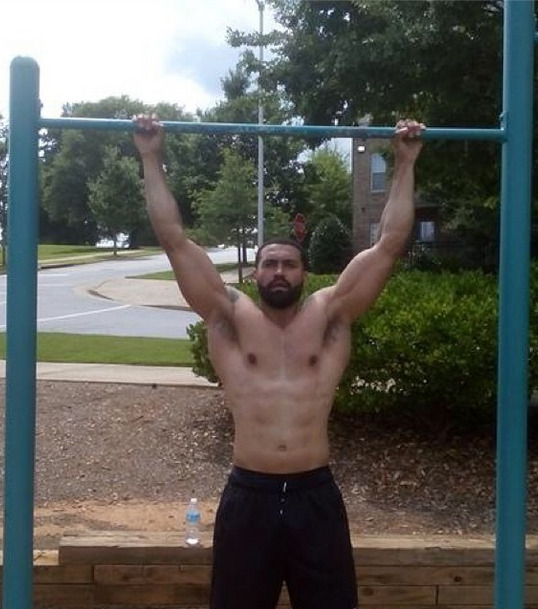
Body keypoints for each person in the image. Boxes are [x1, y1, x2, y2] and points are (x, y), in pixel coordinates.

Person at [133, 114, 425, 609]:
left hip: (316, 495)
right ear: (255, 272)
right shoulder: (227, 316)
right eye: (270, 263)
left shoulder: (332, 315)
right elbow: (174, 239)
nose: (279, 271)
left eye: (289, 263)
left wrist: (405, 162)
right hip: (249, 496)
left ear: (305, 273)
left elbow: (389, 244)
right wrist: (150, 157)